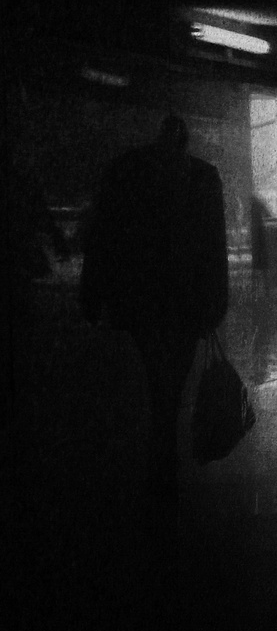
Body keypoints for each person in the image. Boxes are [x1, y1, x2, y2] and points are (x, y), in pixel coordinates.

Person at [80, 115, 228, 505]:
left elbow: (102, 235)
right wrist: (216, 302)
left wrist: (92, 291)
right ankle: (164, 447)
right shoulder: (203, 177)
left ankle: (159, 449)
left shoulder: (124, 170)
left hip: (139, 295)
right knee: (173, 376)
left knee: (153, 369)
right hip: (187, 300)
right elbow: (215, 246)